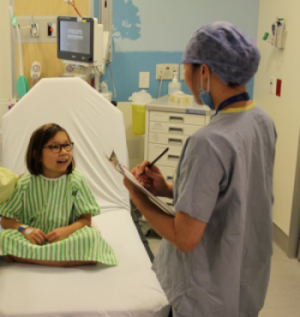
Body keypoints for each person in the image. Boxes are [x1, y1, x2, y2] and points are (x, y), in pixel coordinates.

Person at [124, 22, 277, 317]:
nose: (185, 77)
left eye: (186, 68)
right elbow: (233, 194)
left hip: (206, 294)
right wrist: (166, 189)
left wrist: (136, 192)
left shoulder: (209, 142)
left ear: (204, 72)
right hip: (244, 281)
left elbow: (184, 237)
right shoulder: (261, 121)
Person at [0, 123, 117, 267]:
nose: (64, 152)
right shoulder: (25, 183)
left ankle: (25, 257)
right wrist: (26, 230)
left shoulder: (76, 180)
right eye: (55, 147)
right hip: (33, 238)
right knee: (4, 237)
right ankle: (69, 259)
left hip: (65, 237)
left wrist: (66, 231)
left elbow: (85, 219)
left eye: (67, 145)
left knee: (90, 237)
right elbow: (5, 220)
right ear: (37, 155)